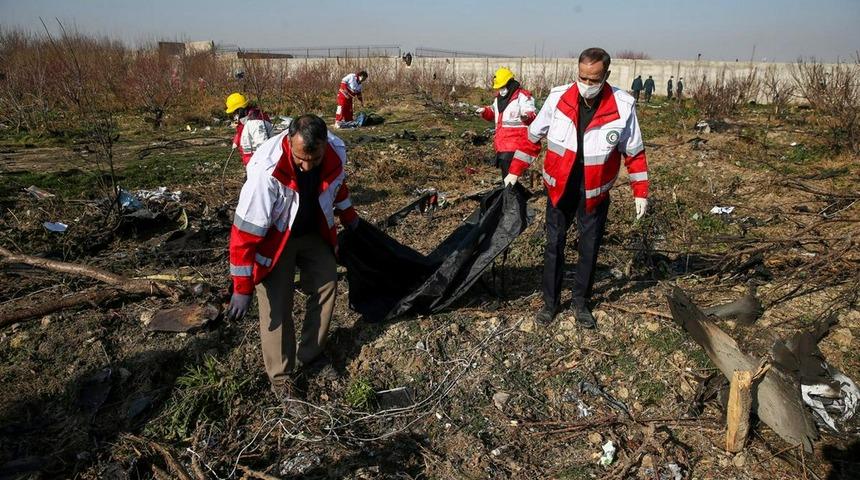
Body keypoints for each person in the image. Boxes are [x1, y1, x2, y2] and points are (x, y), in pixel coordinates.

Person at [505, 47, 649, 329]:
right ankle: (550, 303)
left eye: (594, 80)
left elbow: (634, 152)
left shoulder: (622, 105)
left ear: (606, 75)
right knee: (554, 245)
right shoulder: (559, 98)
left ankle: (581, 303)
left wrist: (640, 191)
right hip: (561, 186)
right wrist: (514, 171)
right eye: (582, 77)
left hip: (595, 190)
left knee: (589, 247)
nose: (587, 85)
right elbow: (533, 136)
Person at [226, 114, 360, 397]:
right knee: (278, 303)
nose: (307, 165)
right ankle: (281, 377)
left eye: (315, 158)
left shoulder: (336, 152)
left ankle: (310, 355)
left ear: (325, 145)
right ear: (289, 142)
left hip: (312, 231)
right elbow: (244, 234)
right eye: (301, 159)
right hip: (276, 239)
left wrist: (349, 217)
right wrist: (241, 286)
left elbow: (337, 188)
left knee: (327, 284)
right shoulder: (266, 172)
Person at [476, 67, 537, 177]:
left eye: (503, 87)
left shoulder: (522, 97)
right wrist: (485, 111)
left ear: (510, 83)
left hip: (517, 143)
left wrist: (526, 116)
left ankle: (511, 193)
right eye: (499, 87)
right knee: (507, 175)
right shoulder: (499, 99)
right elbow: (494, 114)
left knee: (509, 173)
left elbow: (531, 113)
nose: (501, 90)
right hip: (502, 143)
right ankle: (513, 193)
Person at [225, 93, 273, 166]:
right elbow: (240, 130)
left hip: (257, 163)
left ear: (240, 110)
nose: (234, 115)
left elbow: (263, 146)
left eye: (234, 112)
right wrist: (236, 141)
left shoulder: (255, 122)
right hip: (250, 161)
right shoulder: (243, 119)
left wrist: (259, 167)